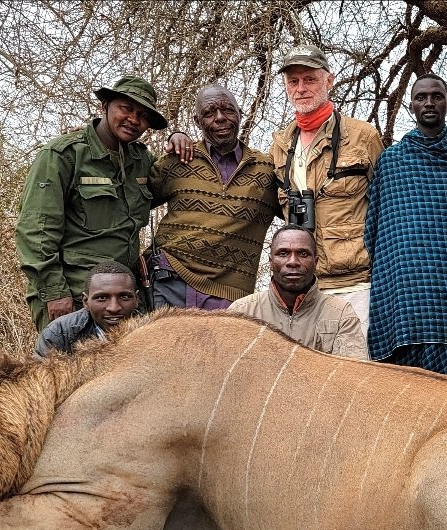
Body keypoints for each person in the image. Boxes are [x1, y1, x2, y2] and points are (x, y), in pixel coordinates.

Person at [17, 75, 167, 332]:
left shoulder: (141, 161)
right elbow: (36, 230)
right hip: (73, 293)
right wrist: (54, 292)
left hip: (121, 297)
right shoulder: (63, 155)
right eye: (126, 108)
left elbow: (174, 183)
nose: (133, 119)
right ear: (105, 106)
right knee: (67, 370)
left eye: (143, 115)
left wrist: (180, 138)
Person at [365, 73, 447, 374]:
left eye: (437, 96)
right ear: (411, 105)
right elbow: (375, 229)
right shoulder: (392, 162)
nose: (429, 102)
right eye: (421, 97)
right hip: (405, 293)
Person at [270, 44, 384, 335]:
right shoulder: (281, 144)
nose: (301, 88)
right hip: (303, 289)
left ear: (329, 81)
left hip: (356, 285)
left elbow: (388, 208)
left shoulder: (363, 136)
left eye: (310, 79)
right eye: (293, 81)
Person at [147, 85, 280, 309]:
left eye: (228, 110)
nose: (219, 118)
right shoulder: (179, 159)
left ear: (240, 113)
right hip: (171, 279)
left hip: (230, 294)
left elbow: (300, 211)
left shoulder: (266, 169)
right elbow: (132, 200)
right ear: (197, 121)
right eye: (209, 113)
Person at [228, 225, 366, 359]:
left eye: (303, 253)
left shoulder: (341, 314)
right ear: (270, 261)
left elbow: (353, 375)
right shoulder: (241, 312)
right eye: (283, 253)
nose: (293, 262)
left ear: (315, 262)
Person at [35, 262, 140, 356]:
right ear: (86, 302)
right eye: (102, 298)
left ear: (137, 299)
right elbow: (41, 375)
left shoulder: (151, 329)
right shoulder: (58, 333)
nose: (114, 308)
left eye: (124, 297)